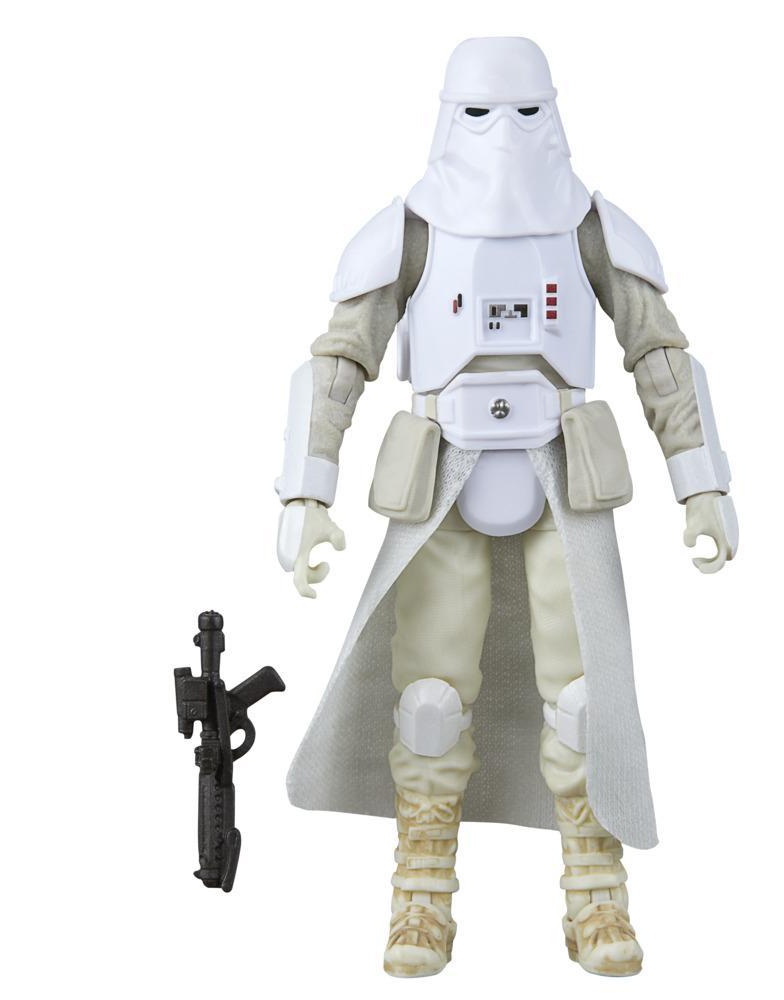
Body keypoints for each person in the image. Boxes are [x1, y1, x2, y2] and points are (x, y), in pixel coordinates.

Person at [276, 36, 738, 978]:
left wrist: (702, 481)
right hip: (441, 469)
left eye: (524, 111)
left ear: (553, 114)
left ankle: (595, 886)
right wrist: (305, 488)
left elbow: (659, 353)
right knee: (429, 695)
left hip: (564, 468)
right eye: (482, 112)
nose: (504, 132)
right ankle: (421, 890)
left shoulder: (590, 226)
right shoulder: (410, 229)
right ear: (450, 117)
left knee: (584, 696)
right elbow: (339, 360)